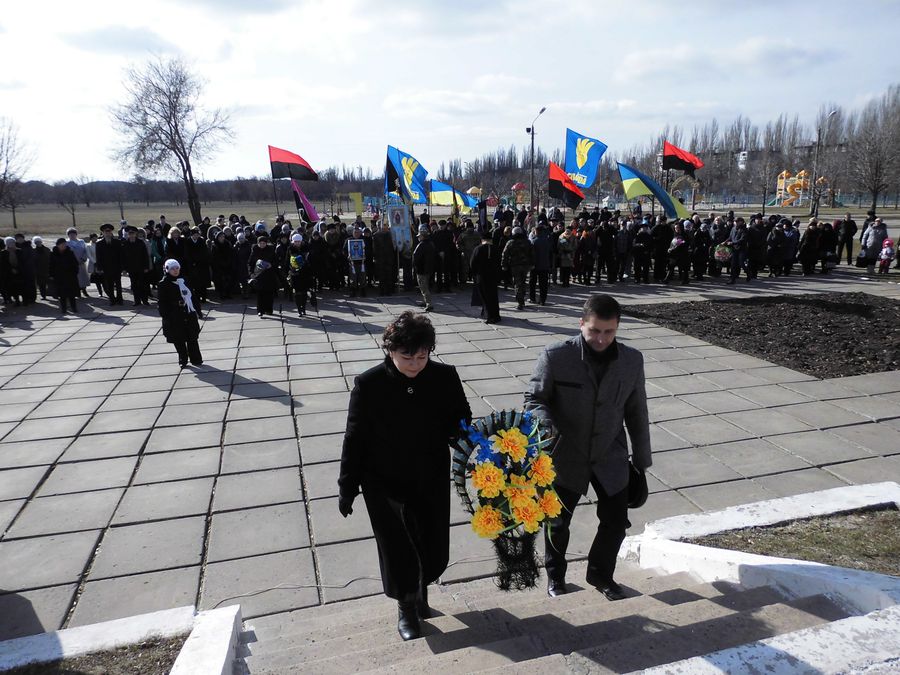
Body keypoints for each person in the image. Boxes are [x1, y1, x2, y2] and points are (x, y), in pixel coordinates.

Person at [338, 311, 471, 641]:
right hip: (384, 480)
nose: (415, 363)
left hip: (430, 475)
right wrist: (347, 485)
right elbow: (354, 437)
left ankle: (420, 591)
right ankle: (406, 609)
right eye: (406, 357)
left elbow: (461, 419)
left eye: (422, 356)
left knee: (431, 542)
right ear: (390, 351)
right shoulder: (369, 384)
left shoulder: (444, 376)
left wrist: (470, 443)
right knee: (398, 547)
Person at [524, 294, 651, 601]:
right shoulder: (556, 355)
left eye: (608, 332)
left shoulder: (632, 360)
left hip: (611, 453)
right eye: (594, 331)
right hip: (565, 454)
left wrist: (642, 460)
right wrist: (545, 426)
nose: (601, 339)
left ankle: (600, 574)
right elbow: (534, 398)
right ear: (581, 324)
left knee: (616, 521)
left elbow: (637, 410)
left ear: (617, 327)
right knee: (557, 520)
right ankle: (556, 576)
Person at [157, 259, 203, 368]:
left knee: (192, 336)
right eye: (172, 268)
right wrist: (165, 315)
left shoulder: (184, 280)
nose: (175, 270)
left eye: (177, 268)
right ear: (167, 269)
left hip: (188, 311)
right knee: (178, 338)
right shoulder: (164, 283)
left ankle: (196, 359)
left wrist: (198, 309)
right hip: (174, 314)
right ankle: (183, 359)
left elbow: (192, 296)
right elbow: (162, 301)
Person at [470, 227, 501, 324]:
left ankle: (490, 316)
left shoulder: (478, 249)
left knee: (485, 297)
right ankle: (496, 315)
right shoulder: (496, 248)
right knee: (493, 296)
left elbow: (472, 263)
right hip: (493, 275)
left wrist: (475, 273)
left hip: (482, 276)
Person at [501, 226, 534, 311]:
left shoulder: (510, 242)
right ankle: (522, 298)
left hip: (515, 266)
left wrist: (504, 265)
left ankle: (520, 302)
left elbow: (505, 255)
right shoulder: (527, 242)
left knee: (517, 283)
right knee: (523, 282)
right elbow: (532, 254)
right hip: (525, 266)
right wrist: (532, 264)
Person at [248, 234, 278, 317]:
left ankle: (269, 310)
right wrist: (251, 274)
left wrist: (271, 265)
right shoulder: (255, 251)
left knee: (269, 294)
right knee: (260, 294)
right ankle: (260, 310)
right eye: (260, 243)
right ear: (258, 243)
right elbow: (250, 263)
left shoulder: (271, 250)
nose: (262, 245)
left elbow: (276, 262)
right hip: (259, 276)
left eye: (264, 243)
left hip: (269, 275)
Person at [49, 238, 80, 314]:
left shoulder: (70, 253)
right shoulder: (53, 254)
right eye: (62, 244)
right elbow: (50, 265)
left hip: (70, 277)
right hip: (59, 277)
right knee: (62, 295)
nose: (64, 246)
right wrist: (51, 275)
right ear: (58, 245)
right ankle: (64, 309)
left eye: (65, 244)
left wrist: (74, 273)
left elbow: (75, 264)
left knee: (71, 294)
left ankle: (74, 307)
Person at [95, 223, 124, 304]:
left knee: (118, 284)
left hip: (116, 267)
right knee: (109, 285)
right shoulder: (99, 244)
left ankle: (120, 299)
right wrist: (99, 267)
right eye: (105, 231)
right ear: (103, 233)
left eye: (109, 231)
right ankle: (112, 299)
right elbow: (98, 257)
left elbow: (121, 255)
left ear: (111, 232)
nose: (107, 233)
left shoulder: (117, 242)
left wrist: (122, 267)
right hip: (106, 267)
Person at [122, 225, 151, 306]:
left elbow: (145, 256)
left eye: (133, 233)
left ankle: (145, 300)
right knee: (134, 285)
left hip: (141, 267)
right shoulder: (125, 244)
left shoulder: (141, 243)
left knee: (142, 284)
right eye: (130, 233)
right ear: (128, 234)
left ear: (135, 234)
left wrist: (146, 267)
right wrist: (124, 269)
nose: (131, 235)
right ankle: (137, 301)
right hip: (131, 268)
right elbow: (123, 258)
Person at [412, 225, 435, 312]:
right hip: (428, 269)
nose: (418, 237)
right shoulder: (431, 243)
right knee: (425, 286)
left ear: (422, 236)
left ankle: (429, 304)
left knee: (424, 287)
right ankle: (425, 301)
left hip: (421, 269)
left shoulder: (421, 245)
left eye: (419, 236)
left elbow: (416, 257)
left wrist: (414, 266)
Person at [65, 228, 91, 297]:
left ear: (76, 234)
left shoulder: (81, 241)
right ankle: (77, 292)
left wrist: (83, 258)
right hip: (72, 264)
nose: (72, 235)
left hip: (81, 262)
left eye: (73, 234)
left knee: (83, 278)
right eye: (70, 234)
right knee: (75, 279)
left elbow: (85, 251)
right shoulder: (66, 243)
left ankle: (84, 290)